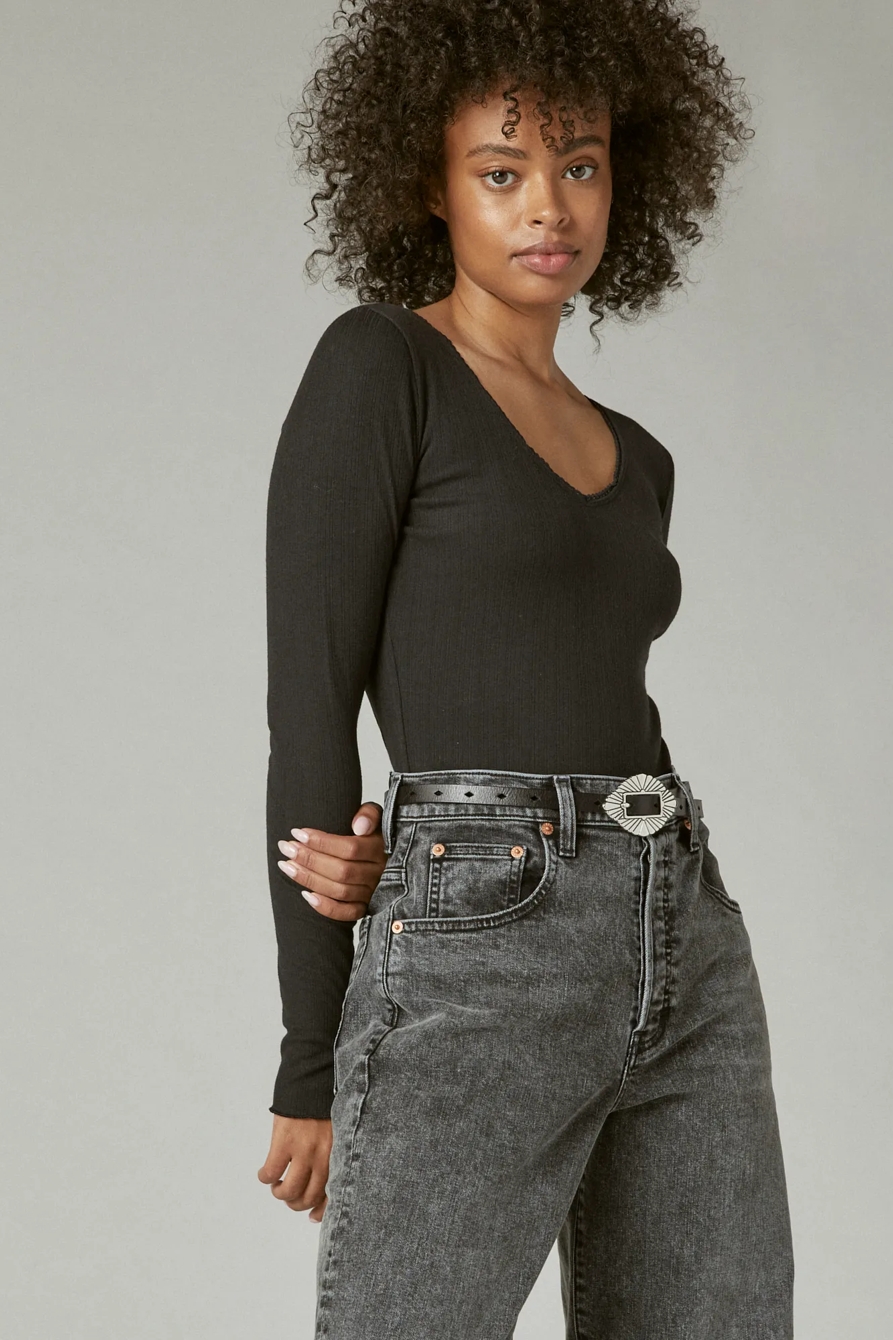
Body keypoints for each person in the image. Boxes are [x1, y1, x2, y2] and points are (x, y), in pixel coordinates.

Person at [257, 1, 795, 1335]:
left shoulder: (639, 457)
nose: (548, 205)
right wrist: (311, 1057)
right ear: (429, 188)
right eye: (500, 172)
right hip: (482, 930)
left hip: (682, 925)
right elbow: (309, 707)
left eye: (580, 164)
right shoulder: (384, 364)